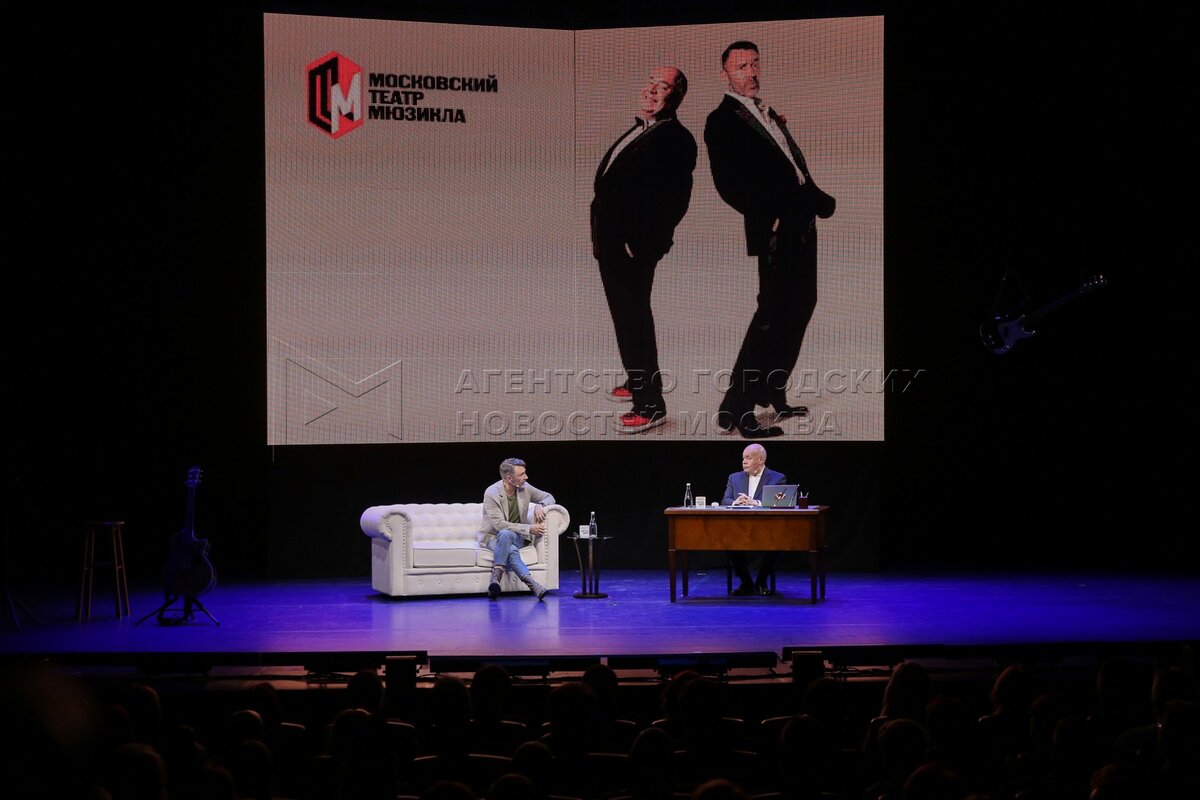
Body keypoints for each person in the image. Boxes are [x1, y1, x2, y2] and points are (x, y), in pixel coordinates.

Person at [704, 41, 836, 439]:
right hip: (776, 227)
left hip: (803, 220)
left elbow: (789, 163)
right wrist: (771, 217)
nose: (751, 72)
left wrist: (815, 195)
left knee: (801, 305)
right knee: (771, 315)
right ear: (725, 74)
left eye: (755, 63)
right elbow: (728, 184)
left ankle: (772, 391)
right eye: (741, 66)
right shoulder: (721, 120)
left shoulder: (764, 111)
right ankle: (737, 407)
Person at [591, 66, 697, 434]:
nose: (651, 91)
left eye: (662, 87)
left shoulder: (676, 139)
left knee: (633, 319)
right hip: (613, 243)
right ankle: (639, 380)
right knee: (627, 317)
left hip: (631, 248)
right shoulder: (644, 129)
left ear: (675, 97)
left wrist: (644, 245)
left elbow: (675, 200)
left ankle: (650, 405)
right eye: (650, 83)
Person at [480, 457, 553, 600]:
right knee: (509, 545)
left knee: (506, 535)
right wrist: (529, 528)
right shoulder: (492, 493)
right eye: (522, 474)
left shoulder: (525, 488)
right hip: (493, 538)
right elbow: (499, 525)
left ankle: (496, 578)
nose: (526, 477)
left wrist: (541, 504)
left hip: (517, 537)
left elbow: (548, 496)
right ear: (509, 478)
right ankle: (533, 584)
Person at [721, 443, 787, 595]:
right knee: (727, 542)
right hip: (740, 527)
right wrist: (735, 502)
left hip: (767, 527)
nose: (744, 461)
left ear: (761, 459)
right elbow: (725, 499)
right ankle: (746, 582)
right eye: (743, 458)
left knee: (777, 543)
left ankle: (761, 581)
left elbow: (780, 502)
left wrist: (757, 503)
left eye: (748, 458)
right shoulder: (734, 478)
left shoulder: (777, 478)